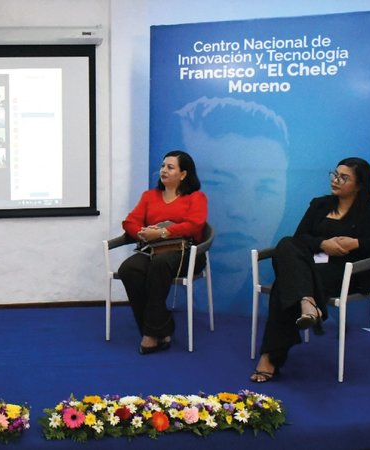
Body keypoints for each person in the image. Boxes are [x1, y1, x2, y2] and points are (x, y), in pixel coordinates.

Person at [250, 157, 370, 383]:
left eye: (344, 178)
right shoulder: (320, 205)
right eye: (335, 174)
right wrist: (322, 244)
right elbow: (300, 238)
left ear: (360, 185)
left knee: (285, 284)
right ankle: (307, 301)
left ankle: (270, 358)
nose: (335, 180)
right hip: (311, 266)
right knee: (286, 244)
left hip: (346, 274)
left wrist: (357, 243)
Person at [176, 96, 290, 311]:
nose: (242, 211)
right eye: (217, 184)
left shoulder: (285, 304)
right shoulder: (162, 290)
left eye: (265, 188)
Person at [118, 150, 208, 354]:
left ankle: (150, 334)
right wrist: (142, 233)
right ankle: (161, 328)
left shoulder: (196, 197)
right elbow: (129, 222)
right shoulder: (149, 196)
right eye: (162, 166)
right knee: (129, 269)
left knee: (159, 265)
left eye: (170, 167)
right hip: (153, 251)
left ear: (183, 174)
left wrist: (164, 232)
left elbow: (195, 225)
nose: (163, 170)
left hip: (187, 253)